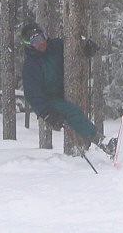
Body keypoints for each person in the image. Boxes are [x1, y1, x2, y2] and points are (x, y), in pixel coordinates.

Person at [21, 22, 117, 156]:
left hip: (66, 89)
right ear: (29, 45)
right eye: (35, 41)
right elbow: (32, 94)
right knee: (74, 112)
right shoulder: (31, 65)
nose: (41, 43)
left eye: (41, 38)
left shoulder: (56, 45)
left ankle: (100, 142)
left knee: (79, 110)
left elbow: (74, 49)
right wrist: (46, 113)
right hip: (50, 100)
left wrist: (87, 48)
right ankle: (103, 143)